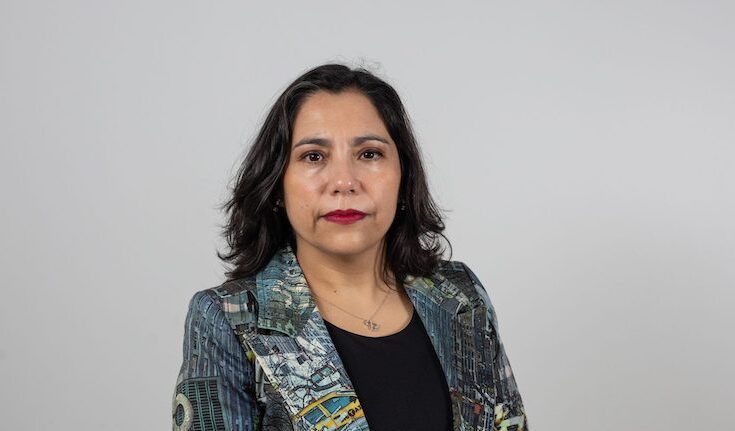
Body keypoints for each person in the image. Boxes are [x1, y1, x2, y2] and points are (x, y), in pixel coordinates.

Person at [172, 63, 529, 431]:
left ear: (403, 176)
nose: (344, 181)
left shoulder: (461, 297)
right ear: (277, 185)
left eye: (369, 154)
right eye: (314, 156)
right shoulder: (229, 319)